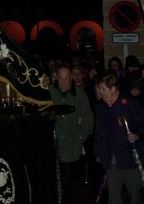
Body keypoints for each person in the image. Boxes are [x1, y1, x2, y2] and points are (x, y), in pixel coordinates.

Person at [94, 70, 144, 204]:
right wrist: (98, 152)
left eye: (103, 89)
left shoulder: (129, 103)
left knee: (134, 192)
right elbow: (98, 131)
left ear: (113, 89)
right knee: (114, 194)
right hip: (111, 157)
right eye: (99, 88)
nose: (100, 92)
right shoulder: (100, 106)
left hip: (129, 157)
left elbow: (142, 123)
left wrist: (136, 135)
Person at [49, 65, 94, 204]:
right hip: (51, 146)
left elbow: (88, 120)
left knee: (67, 183)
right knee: (51, 183)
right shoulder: (49, 92)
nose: (63, 82)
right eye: (60, 78)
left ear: (71, 78)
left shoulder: (79, 95)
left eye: (66, 79)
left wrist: (78, 138)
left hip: (70, 147)